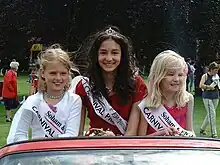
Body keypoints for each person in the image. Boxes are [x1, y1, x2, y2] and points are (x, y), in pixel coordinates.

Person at [74, 26, 147, 136]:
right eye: (103, 53)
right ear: (96, 55)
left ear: (122, 55)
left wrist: (114, 142)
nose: (109, 58)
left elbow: (131, 132)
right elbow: (78, 131)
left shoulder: (137, 84)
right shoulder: (84, 86)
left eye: (114, 53)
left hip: (125, 149)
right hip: (94, 147)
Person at [7, 45, 82, 144]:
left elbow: (71, 135)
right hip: (38, 155)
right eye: (53, 73)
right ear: (42, 73)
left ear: (68, 74)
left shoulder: (74, 100)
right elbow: (17, 135)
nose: (58, 78)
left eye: (63, 73)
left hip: (64, 155)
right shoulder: (32, 101)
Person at [138, 50, 195, 137]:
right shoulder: (147, 103)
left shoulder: (188, 99)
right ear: (158, 76)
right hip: (154, 150)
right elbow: (140, 140)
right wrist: (160, 134)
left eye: (180, 75)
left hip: (180, 149)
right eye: (171, 74)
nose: (176, 79)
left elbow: (191, 133)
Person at [199, 62, 220, 138]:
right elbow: (200, 85)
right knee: (212, 114)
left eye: (217, 70)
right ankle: (214, 133)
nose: (216, 72)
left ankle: (202, 129)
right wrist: (208, 87)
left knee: (210, 114)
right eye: (215, 70)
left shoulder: (216, 76)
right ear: (211, 69)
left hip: (216, 96)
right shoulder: (205, 76)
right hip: (207, 97)